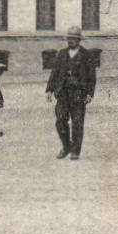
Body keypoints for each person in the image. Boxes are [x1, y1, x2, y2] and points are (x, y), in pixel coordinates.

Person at [46, 25, 97, 160]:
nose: (70, 41)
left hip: (79, 94)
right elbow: (54, 72)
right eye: (69, 38)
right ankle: (66, 146)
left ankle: (75, 151)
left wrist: (90, 93)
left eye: (73, 39)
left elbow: (92, 76)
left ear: (79, 40)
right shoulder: (61, 54)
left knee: (77, 122)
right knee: (60, 120)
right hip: (62, 93)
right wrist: (49, 90)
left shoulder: (87, 55)